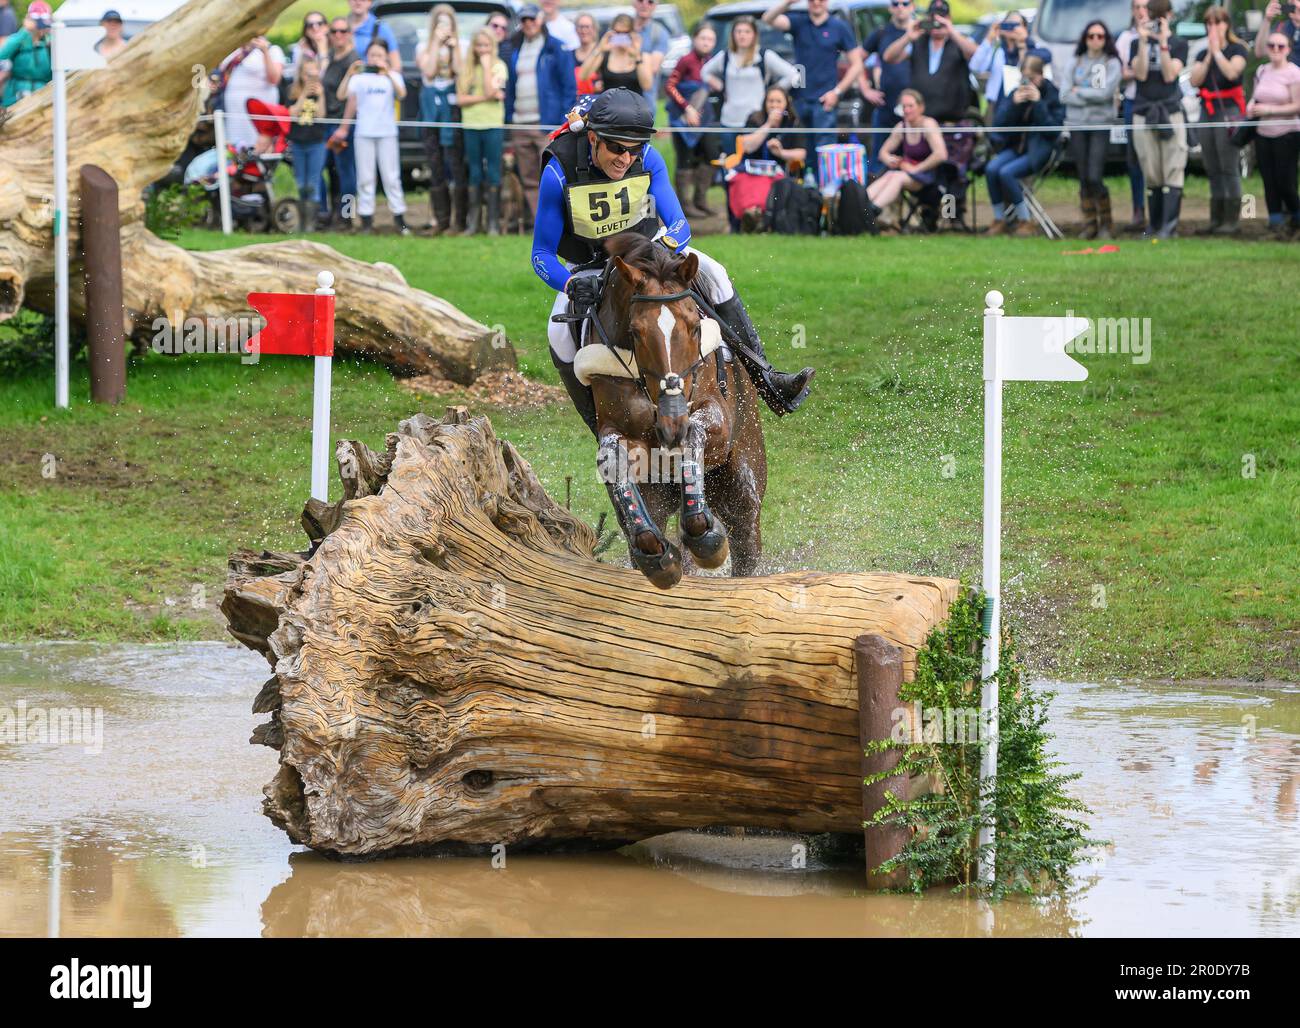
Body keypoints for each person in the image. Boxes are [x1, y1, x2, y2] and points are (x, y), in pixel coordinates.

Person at [533, 88, 814, 434]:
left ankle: (767, 377)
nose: (625, 158)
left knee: (716, 272)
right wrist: (570, 283)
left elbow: (680, 226)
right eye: (617, 148)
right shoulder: (558, 172)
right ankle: (597, 422)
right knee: (559, 332)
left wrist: (661, 252)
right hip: (589, 265)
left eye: (633, 149)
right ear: (593, 139)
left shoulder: (649, 158)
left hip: (649, 252)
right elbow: (541, 255)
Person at [505, 5, 577, 227]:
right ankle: (542, 224)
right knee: (528, 178)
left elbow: (568, 86)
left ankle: (560, 223)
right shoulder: (514, 47)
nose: (528, 23)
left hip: (546, 123)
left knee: (552, 176)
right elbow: (510, 86)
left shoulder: (556, 47)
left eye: (532, 19)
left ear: (540, 20)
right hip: (520, 122)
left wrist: (561, 120)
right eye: (524, 20)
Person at [762, 0, 864, 155]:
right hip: (800, 99)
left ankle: (826, 180)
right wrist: (788, 2)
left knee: (825, 153)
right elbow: (767, 19)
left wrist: (837, 92)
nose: (816, 2)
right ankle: (808, 180)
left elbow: (857, 64)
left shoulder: (839, 27)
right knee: (804, 152)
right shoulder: (799, 21)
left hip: (825, 101)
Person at [333, 37, 410, 235]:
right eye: (372, 55)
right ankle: (366, 219)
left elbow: (402, 94)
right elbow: (341, 95)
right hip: (364, 132)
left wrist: (388, 74)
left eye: (380, 56)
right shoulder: (359, 78)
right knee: (365, 178)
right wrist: (350, 74)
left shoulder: (392, 76)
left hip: (387, 132)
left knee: (391, 176)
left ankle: (399, 218)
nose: (375, 59)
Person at [983, 55, 1064, 236]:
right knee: (991, 169)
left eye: (1032, 79)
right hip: (1016, 149)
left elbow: (1053, 131)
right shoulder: (1015, 93)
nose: (1028, 83)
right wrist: (1013, 105)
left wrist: (1038, 103)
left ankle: (1025, 220)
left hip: (1040, 151)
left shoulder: (1052, 95)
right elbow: (998, 125)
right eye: (1025, 78)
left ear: (1041, 76)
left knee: (1006, 173)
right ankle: (999, 219)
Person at [1129, 0, 1189, 238]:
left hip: (1170, 111)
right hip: (1144, 113)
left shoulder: (1179, 44)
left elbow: (1169, 75)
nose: (1152, 19)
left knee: (1173, 167)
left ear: (1169, 16)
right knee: (1151, 169)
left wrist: (1163, 43)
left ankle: (1170, 227)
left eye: (1158, 15)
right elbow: (1141, 74)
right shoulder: (1136, 43)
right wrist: (1144, 41)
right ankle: (1154, 225)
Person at [702, 16, 798, 159]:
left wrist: (772, 92)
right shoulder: (725, 56)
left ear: (754, 35)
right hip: (729, 121)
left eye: (747, 31)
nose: (742, 35)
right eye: (738, 31)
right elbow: (704, 72)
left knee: (753, 167)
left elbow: (793, 75)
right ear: (733, 34)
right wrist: (720, 86)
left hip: (755, 123)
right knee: (730, 165)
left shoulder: (764, 56)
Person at [1189, 6, 1248, 236]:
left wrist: (1218, 53)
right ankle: (1216, 218)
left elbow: (1232, 73)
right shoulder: (1202, 53)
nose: (1213, 28)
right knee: (1212, 166)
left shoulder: (1238, 49)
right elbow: (1195, 79)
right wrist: (1209, 55)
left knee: (1228, 165)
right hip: (1208, 112)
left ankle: (1232, 221)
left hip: (1229, 111)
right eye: (1209, 24)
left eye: (1218, 23)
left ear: (1227, 25)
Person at [1062, 21, 1121, 239]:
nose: (1095, 40)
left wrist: (1081, 91)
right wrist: (1089, 94)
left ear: (1106, 39)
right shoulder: (1074, 61)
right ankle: (1090, 224)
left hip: (1100, 125)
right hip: (1077, 125)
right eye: (1091, 36)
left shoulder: (1111, 63)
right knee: (1084, 176)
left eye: (1100, 36)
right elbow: (1064, 94)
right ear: (1085, 38)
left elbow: (1106, 94)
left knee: (1095, 176)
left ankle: (1107, 223)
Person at [883, 0, 978, 125]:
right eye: (933, 18)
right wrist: (908, 37)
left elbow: (977, 55)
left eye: (942, 17)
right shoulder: (918, 40)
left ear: (949, 19)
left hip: (953, 120)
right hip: (921, 119)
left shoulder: (959, 40)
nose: (937, 22)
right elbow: (889, 57)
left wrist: (952, 31)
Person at [862, 87, 945, 228]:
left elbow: (941, 154)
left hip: (929, 178)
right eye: (904, 106)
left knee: (896, 177)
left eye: (910, 106)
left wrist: (917, 168)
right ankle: (862, 205)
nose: (906, 110)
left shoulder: (928, 124)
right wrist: (889, 159)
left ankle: (871, 212)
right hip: (906, 173)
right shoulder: (901, 127)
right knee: (890, 174)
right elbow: (883, 152)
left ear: (921, 107)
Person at [418, 4, 466, 235]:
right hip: (430, 111)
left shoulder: (461, 45)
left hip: (452, 109)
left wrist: (454, 47)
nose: (444, 28)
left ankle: (459, 222)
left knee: (454, 163)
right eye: (440, 23)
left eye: (448, 23)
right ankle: (441, 220)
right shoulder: (423, 47)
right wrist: (436, 44)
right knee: (435, 162)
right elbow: (428, 72)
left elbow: (460, 71)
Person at [1248, 30, 1300, 237]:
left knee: (1285, 181)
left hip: (1287, 133)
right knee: (1269, 180)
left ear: (1288, 49)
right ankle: (1275, 222)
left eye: (1280, 46)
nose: (1275, 50)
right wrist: (1251, 106)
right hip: (1263, 133)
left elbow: (1297, 105)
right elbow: (1255, 96)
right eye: (1271, 46)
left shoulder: (1294, 72)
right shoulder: (1262, 70)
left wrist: (1270, 110)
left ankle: (1296, 218)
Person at [458, 28, 508, 235]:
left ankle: (493, 223)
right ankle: (473, 222)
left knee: (494, 171)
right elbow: (461, 100)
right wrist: (486, 98)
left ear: (492, 46)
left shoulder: (499, 66)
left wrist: (487, 67)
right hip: (471, 124)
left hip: (493, 124)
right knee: (475, 172)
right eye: (479, 45)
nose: (482, 49)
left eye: (486, 45)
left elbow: (492, 90)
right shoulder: (466, 68)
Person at [665, 22, 719, 216]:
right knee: (684, 159)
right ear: (695, 39)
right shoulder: (686, 60)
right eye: (703, 38)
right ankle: (684, 205)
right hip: (682, 118)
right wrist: (687, 108)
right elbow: (670, 85)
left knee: (708, 155)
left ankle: (700, 200)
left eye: (710, 39)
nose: (706, 42)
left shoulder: (712, 62)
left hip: (704, 119)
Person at [862, 0, 913, 176]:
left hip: (914, 112)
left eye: (905, 3)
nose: (900, 7)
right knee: (879, 162)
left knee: (912, 162)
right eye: (896, 3)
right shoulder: (881, 33)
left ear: (912, 6)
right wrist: (865, 88)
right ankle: (873, 202)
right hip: (886, 108)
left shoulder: (921, 32)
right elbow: (856, 59)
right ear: (890, 7)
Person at [970, 10, 1051, 111]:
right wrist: (989, 39)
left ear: (1025, 27)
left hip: (1024, 103)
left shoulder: (1035, 48)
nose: (1011, 28)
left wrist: (1023, 43)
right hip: (996, 105)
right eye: (1008, 24)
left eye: (1016, 24)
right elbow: (975, 67)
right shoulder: (997, 50)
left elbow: (1033, 65)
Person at [216, 35, 285, 150]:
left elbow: (274, 79)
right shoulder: (235, 50)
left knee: (258, 146)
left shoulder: (273, 49)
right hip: (234, 112)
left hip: (256, 111)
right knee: (235, 147)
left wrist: (264, 51)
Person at [1116, 0, 1150, 232]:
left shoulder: (1162, 35)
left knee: (1156, 158)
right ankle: (1138, 209)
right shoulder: (1124, 39)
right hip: (1132, 101)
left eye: (1145, 7)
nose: (1141, 12)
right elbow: (1120, 73)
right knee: (1134, 158)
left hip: (1156, 102)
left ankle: (1159, 210)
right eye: (1137, 7)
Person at [323, 17, 359, 228]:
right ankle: (333, 213)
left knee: (346, 172)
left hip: (343, 125)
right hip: (327, 122)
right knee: (332, 171)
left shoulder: (353, 60)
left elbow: (352, 97)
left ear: (349, 34)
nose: (338, 35)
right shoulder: (330, 57)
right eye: (334, 31)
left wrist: (344, 127)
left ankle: (347, 216)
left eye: (343, 31)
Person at [289, 56, 330, 230]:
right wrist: (304, 94)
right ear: (300, 75)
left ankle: (310, 223)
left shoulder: (321, 92)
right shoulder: (292, 91)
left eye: (314, 74)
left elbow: (321, 116)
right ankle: (301, 220)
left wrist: (320, 97)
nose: (310, 79)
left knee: (313, 182)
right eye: (307, 75)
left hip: (316, 142)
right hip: (298, 142)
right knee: (300, 181)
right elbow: (292, 114)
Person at [579, 14, 653, 96]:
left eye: (625, 33)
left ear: (632, 33)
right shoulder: (604, 54)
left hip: (634, 107)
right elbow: (582, 76)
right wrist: (599, 49)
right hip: (608, 107)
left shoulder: (643, 56)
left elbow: (647, 86)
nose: (621, 36)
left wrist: (637, 55)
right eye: (617, 32)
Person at [0, 0, 52, 108]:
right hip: (15, 96)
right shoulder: (19, 40)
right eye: (39, 23)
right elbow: (2, 54)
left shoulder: (50, 43)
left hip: (42, 96)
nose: (42, 28)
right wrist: (25, 31)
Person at [630, 0, 671, 106]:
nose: (645, 4)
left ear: (655, 5)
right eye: (640, 0)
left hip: (645, 102)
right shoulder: (621, 28)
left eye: (650, 1)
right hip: (618, 99)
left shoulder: (659, 33)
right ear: (633, 2)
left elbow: (653, 68)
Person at [347, 0, 400, 72]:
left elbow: (396, 66)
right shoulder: (340, 28)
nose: (358, 2)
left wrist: (384, 72)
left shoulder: (381, 28)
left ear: (370, 2)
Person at [288, 11, 331, 87]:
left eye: (319, 23)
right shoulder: (300, 49)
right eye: (310, 25)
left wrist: (322, 50)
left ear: (326, 27)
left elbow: (327, 79)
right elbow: (298, 79)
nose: (315, 28)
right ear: (306, 31)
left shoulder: (336, 46)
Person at [1256, 0, 1300, 70]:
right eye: (1291, 1)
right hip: (1284, 78)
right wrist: (1267, 20)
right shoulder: (1281, 27)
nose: (1294, 3)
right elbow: (1261, 52)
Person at [574, 13, 600, 95]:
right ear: (576, 29)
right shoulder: (569, 56)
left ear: (595, 29)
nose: (584, 31)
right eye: (581, 27)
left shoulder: (602, 54)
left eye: (587, 27)